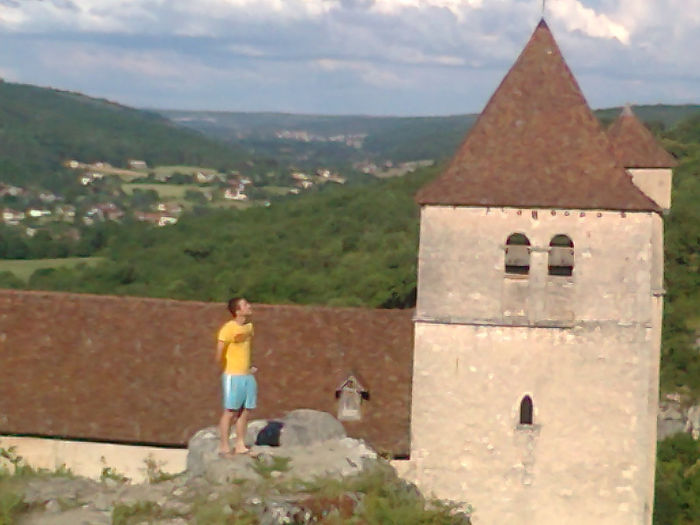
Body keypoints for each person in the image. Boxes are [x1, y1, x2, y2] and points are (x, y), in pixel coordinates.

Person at [216, 297, 257, 457]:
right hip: (233, 375)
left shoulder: (249, 327)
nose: (249, 306)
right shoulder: (228, 329)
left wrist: (248, 366)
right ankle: (224, 445)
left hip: (246, 375)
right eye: (245, 305)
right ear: (237, 310)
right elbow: (220, 351)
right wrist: (225, 367)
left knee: (245, 410)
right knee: (230, 411)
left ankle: (240, 443)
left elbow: (245, 349)